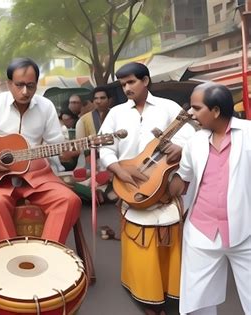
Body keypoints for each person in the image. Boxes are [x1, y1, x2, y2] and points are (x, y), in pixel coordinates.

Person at [98, 62, 195, 315]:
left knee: (167, 238)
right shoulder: (116, 113)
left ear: (146, 81)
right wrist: (118, 169)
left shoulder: (169, 108)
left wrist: (182, 151)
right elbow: (104, 147)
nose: (127, 88)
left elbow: (191, 139)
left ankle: (171, 295)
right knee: (139, 242)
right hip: (130, 187)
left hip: (164, 187)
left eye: (131, 82)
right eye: (123, 85)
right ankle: (143, 294)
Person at [0, 57, 81, 246]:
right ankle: (8, 259)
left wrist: (72, 150)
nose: (25, 91)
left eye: (31, 85)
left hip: (37, 177)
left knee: (69, 200)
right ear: (9, 83)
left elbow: (58, 148)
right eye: (19, 85)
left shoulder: (46, 107)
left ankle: (50, 255)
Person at [169, 83, 251, 315]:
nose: (191, 113)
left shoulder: (249, 133)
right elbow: (181, 181)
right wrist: (159, 170)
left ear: (215, 111)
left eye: (196, 107)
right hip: (201, 232)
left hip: (246, 232)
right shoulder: (194, 142)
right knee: (197, 301)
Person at [75, 86, 116, 203]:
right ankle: (100, 189)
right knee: (87, 176)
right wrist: (92, 165)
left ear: (110, 100)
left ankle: (100, 190)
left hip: (114, 157)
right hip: (90, 159)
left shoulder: (117, 116)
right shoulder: (83, 120)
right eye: (96, 98)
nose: (98, 101)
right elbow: (82, 146)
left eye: (102, 98)